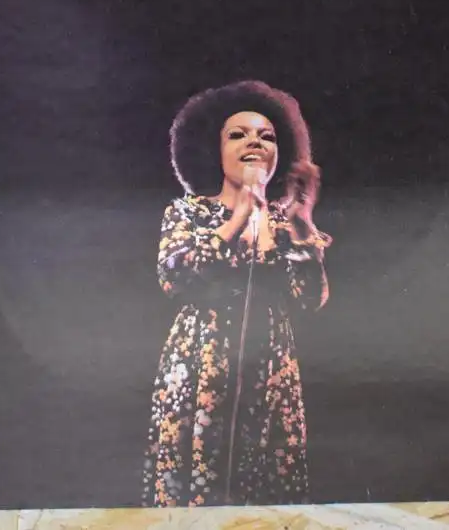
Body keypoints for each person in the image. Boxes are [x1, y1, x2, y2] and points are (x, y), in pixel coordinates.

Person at [141, 80, 332, 507]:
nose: (255, 142)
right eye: (238, 134)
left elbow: (310, 298)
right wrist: (241, 214)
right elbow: (173, 277)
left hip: (270, 367)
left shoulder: (286, 223)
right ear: (215, 148)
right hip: (202, 361)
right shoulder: (189, 212)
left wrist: (302, 223)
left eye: (267, 136)